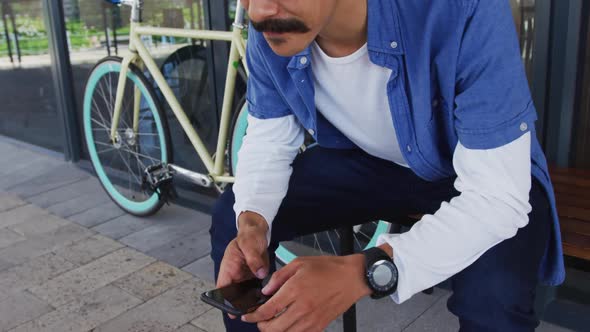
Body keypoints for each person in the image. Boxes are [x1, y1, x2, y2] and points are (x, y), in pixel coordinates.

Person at [210, 0, 565, 331]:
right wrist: (254, 221)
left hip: (477, 173)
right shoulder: (274, 27)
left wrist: (364, 272)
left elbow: (498, 196)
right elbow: (269, 136)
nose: (258, 10)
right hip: (368, 162)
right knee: (236, 220)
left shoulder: (464, 9)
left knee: (495, 295)